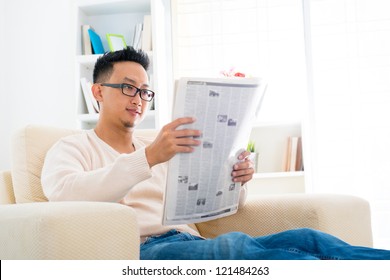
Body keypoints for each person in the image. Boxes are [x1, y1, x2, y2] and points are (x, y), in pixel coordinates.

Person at [41, 46, 390, 260]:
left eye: (146, 92)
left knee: (307, 238)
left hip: (190, 241)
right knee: (234, 249)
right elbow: (64, 196)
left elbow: (218, 205)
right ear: (98, 91)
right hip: (145, 250)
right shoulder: (73, 147)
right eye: (128, 88)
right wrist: (147, 160)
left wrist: (235, 180)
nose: (138, 98)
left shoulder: (157, 146)